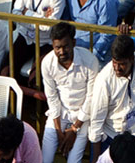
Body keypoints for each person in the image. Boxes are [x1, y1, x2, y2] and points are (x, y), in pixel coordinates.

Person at [41, 21, 100, 163]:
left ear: (73, 43)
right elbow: (52, 98)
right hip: (59, 114)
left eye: (65, 46)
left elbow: (91, 99)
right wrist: (57, 131)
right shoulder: (47, 63)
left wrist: (74, 129)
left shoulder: (90, 61)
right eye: (57, 48)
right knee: (45, 159)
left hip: (82, 116)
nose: (61, 52)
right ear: (52, 46)